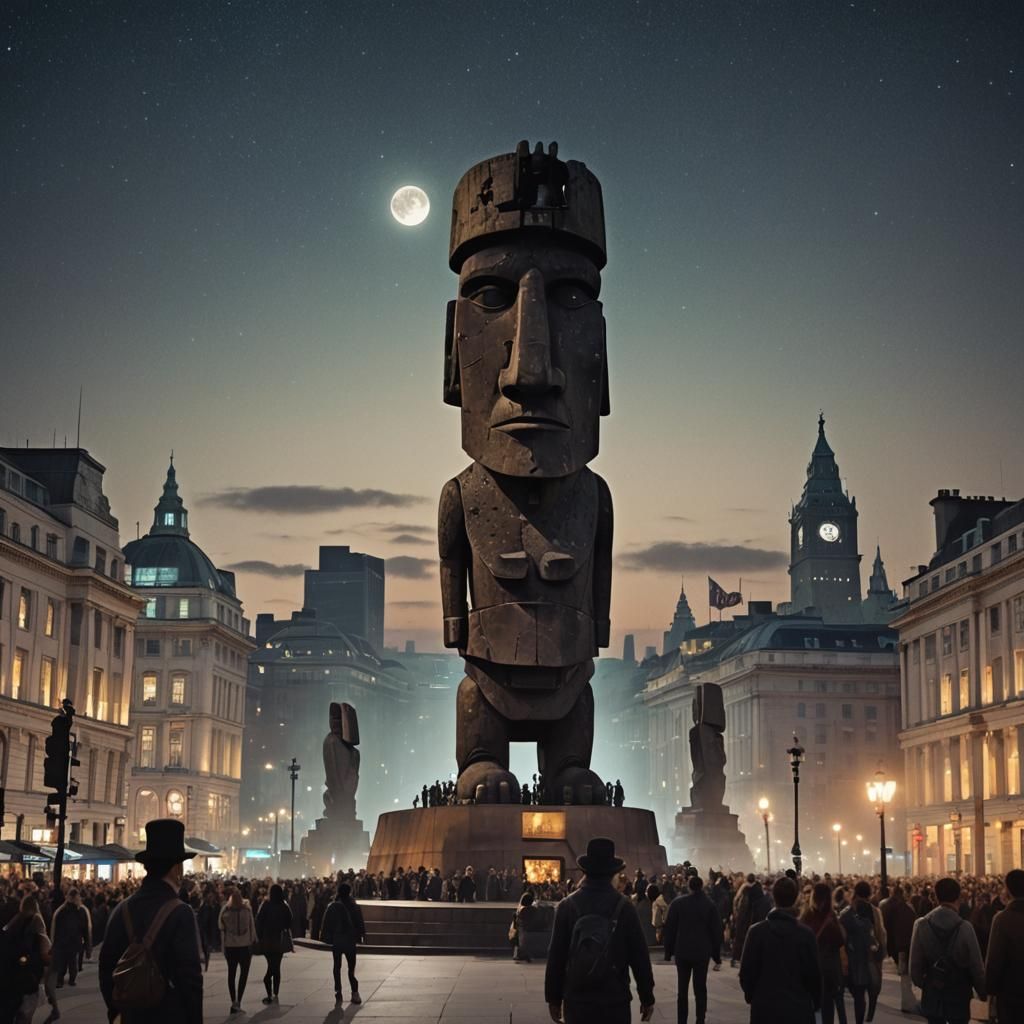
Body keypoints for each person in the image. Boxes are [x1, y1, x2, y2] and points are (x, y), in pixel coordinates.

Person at [98, 818, 203, 1024]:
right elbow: (190, 980)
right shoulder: (181, 912)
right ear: (176, 869)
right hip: (170, 1016)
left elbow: (106, 967)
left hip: (130, 1016)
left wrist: (116, 1011)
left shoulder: (122, 909)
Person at [544, 837, 654, 1023]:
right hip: (614, 1000)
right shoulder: (624, 906)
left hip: (578, 999)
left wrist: (553, 998)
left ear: (585, 871)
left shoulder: (567, 906)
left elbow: (556, 956)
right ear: (613, 873)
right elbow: (639, 956)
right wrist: (646, 996)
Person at [739, 876, 821, 1024]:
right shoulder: (805, 934)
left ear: (774, 897)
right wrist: (814, 1001)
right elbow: (814, 974)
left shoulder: (756, 932)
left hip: (765, 1007)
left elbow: (746, 971)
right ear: (795, 898)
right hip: (798, 1007)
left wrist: (752, 996)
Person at [909, 876, 985, 1024]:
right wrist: (982, 992)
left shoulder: (922, 925)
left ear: (936, 897)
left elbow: (915, 967)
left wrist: (924, 984)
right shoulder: (965, 927)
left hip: (933, 992)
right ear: (959, 897)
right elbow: (976, 965)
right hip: (959, 993)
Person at [663, 874, 723, 1024]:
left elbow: (670, 928)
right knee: (700, 988)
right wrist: (716, 956)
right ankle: (700, 1019)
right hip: (702, 952)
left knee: (682, 990)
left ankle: (681, 1020)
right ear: (701, 886)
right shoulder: (709, 905)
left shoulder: (678, 903)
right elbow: (716, 931)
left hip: (682, 950)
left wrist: (668, 951)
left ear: (689, 886)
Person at [799, 882, 847, 1024]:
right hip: (827, 971)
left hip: (809, 969)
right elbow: (840, 941)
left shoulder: (805, 917)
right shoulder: (831, 919)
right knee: (827, 1009)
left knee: (809, 1008)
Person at [2, 894, 51, 1024]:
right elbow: (44, 950)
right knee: (25, 1013)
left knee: (13, 1010)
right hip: (28, 975)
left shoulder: (14, 921)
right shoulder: (36, 920)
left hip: (12, 975)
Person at [984, 868, 1024, 1024]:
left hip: (1010, 994)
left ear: (1008, 890)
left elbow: (994, 960)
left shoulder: (1002, 919)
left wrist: (989, 991)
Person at [839, 883, 883, 1024]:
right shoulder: (875, 911)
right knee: (872, 988)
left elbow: (842, 939)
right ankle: (869, 1014)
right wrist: (880, 953)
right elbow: (880, 934)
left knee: (858, 993)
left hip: (853, 958)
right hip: (870, 956)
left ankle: (861, 1018)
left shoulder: (846, 913)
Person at [320, 883, 365, 1004]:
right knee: (351, 969)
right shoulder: (353, 905)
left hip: (337, 940)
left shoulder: (333, 905)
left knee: (337, 967)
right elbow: (359, 922)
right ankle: (355, 992)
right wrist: (362, 936)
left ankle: (338, 991)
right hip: (350, 941)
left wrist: (326, 938)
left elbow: (326, 924)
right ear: (349, 892)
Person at [880, 881, 919, 1014]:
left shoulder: (885, 905)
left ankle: (907, 1001)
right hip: (903, 945)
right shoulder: (905, 908)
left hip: (894, 944)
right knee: (905, 975)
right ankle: (907, 1003)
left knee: (903, 973)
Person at [219, 888, 256, 1013]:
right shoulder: (247, 910)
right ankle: (239, 1001)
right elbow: (252, 926)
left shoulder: (226, 911)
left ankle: (233, 1001)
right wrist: (253, 941)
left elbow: (220, 925)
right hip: (245, 946)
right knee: (243, 974)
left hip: (230, 946)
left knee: (231, 974)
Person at [255, 883, 293, 1005]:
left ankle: (269, 992)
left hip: (267, 939)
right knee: (277, 966)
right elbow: (290, 921)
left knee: (271, 964)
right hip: (279, 938)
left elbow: (259, 920)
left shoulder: (266, 905)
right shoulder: (284, 905)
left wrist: (260, 935)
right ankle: (275, 992)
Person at [49, 889, 91, 988]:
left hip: (68, 942)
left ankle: (65, 979)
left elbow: (86, 929)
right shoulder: (79, 910)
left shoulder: (64, 910)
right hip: (68, 942)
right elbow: (86, 929)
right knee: (68, 962)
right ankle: (67, 979)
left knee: (67, 962)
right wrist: (87, 945)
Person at [511, 890, 538, 963]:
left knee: (520, 941)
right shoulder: (531, 908)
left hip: (521, 928)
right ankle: (524, 955)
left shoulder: (522, 909)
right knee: (524, 942)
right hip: (526, 928)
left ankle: (519, 955)